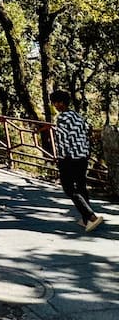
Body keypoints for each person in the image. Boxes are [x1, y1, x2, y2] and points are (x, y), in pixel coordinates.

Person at [50, 89, 104, 233]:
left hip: (69, 157)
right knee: (81, 186)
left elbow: (63, 141)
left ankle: (91, 217)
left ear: (61, 103)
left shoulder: (62, 118)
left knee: (69, 188)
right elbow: (87, 132)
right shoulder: (77, 116)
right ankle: (86, 220)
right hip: (82, 156)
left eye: (56, 103)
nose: (55, 105)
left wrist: (61, 157)